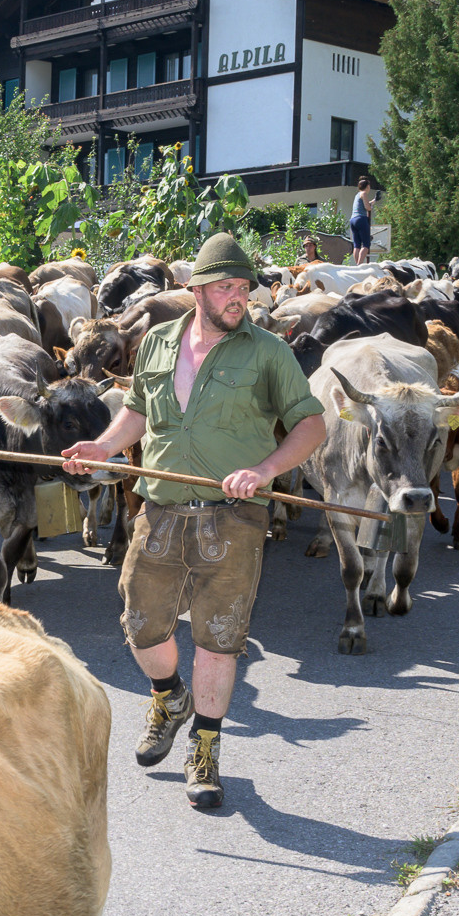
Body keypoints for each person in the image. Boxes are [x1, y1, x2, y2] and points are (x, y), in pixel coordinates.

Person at [62, 232, 328, 811]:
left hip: (233, 517)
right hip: (159, 507)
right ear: (198, 290)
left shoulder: (268, 352)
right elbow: (137, 411)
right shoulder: (157, 342)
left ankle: (204, 751)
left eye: (244, 288)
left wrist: (266, 469)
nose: (239, 298)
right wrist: (105, 447)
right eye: (226, 287)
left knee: (219, 640)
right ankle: (169, 698)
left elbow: (311, 425)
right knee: (141, 624)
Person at [348, 176, 376, 265]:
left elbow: (365, 205)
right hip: (361, 219)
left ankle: (357, 265)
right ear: (367, 186)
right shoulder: (364, 193)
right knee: (366, 245)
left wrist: (374, 200)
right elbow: (367, 207)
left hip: (353, 220)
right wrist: (371, 206)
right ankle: (360, 265)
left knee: (357, 245)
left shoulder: (357, 195)